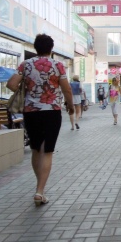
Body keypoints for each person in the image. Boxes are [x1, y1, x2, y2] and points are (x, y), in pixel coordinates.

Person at [7, 33, 74, 207]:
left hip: (31, 112)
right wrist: (70, 105)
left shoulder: (26, 64)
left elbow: (11, 84)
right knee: (47, 151)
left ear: (35, 48)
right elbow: (66, 89)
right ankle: (39, 191)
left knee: (36, 149)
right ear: (51, 48)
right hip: (51, 111)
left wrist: (27, 89)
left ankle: (40, 189)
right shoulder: (57, 65)